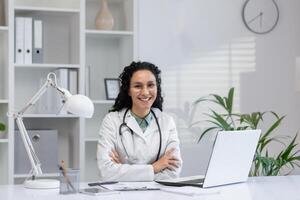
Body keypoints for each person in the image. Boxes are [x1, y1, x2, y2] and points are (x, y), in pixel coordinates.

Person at [97, 61, 182, 181]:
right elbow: (106, 171)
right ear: (128, 90)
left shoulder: (167, 122)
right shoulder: (112, 121)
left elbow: (173, 171)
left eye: (150, 85)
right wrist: (155, 167)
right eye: (138, 86)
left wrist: (123, 169)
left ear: (157, 87)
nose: (145, 92)